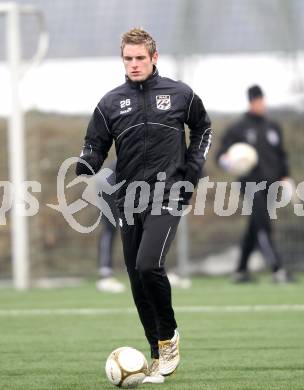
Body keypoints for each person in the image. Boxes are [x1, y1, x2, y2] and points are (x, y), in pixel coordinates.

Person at [76, 28, 212, 383]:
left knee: (150, 264)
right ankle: (156, 355)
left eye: (140, 58)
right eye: (128, 59)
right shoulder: (109, 103)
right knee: (137, 278)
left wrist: (194, 167)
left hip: (168, 193)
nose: (134, 64)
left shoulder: (181, 94)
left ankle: (169, 339)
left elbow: (203, 129)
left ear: (154, 58)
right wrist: (86, 163)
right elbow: (94, 144)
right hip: (128, 199)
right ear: (123, 60)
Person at [216, 85, 291, 283]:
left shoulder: (273, 127)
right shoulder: (238, 128)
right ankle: (278, 270)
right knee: (264, 225)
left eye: (262, 100)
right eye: (257, 101)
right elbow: (221, 156)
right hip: (250, 185)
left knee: (255, 225)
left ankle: (240, 271)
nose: (261, 104)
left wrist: (285, 178)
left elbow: (281, 156)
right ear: (251, 102)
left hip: (271, 186)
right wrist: (228, 161)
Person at [95, 159, 126, 293]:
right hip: (109, 185)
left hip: (107, 182)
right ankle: (105, 273)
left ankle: (105, 271)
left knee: (112, 228)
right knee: (112, 227)